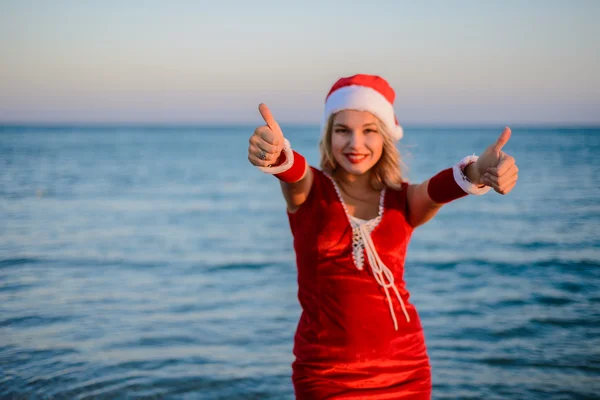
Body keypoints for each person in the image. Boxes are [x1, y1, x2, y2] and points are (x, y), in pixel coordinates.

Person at [247, 74, 518, 399]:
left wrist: (478, 172)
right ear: (328, 136)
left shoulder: (403, 199)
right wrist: (275, 154)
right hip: (325, 374)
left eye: (369, 131)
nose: (355, 144)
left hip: (406, 370)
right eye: (342, 130)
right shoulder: (311, 191)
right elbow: (293, 173)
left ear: (386, 137)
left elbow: (437, 190)